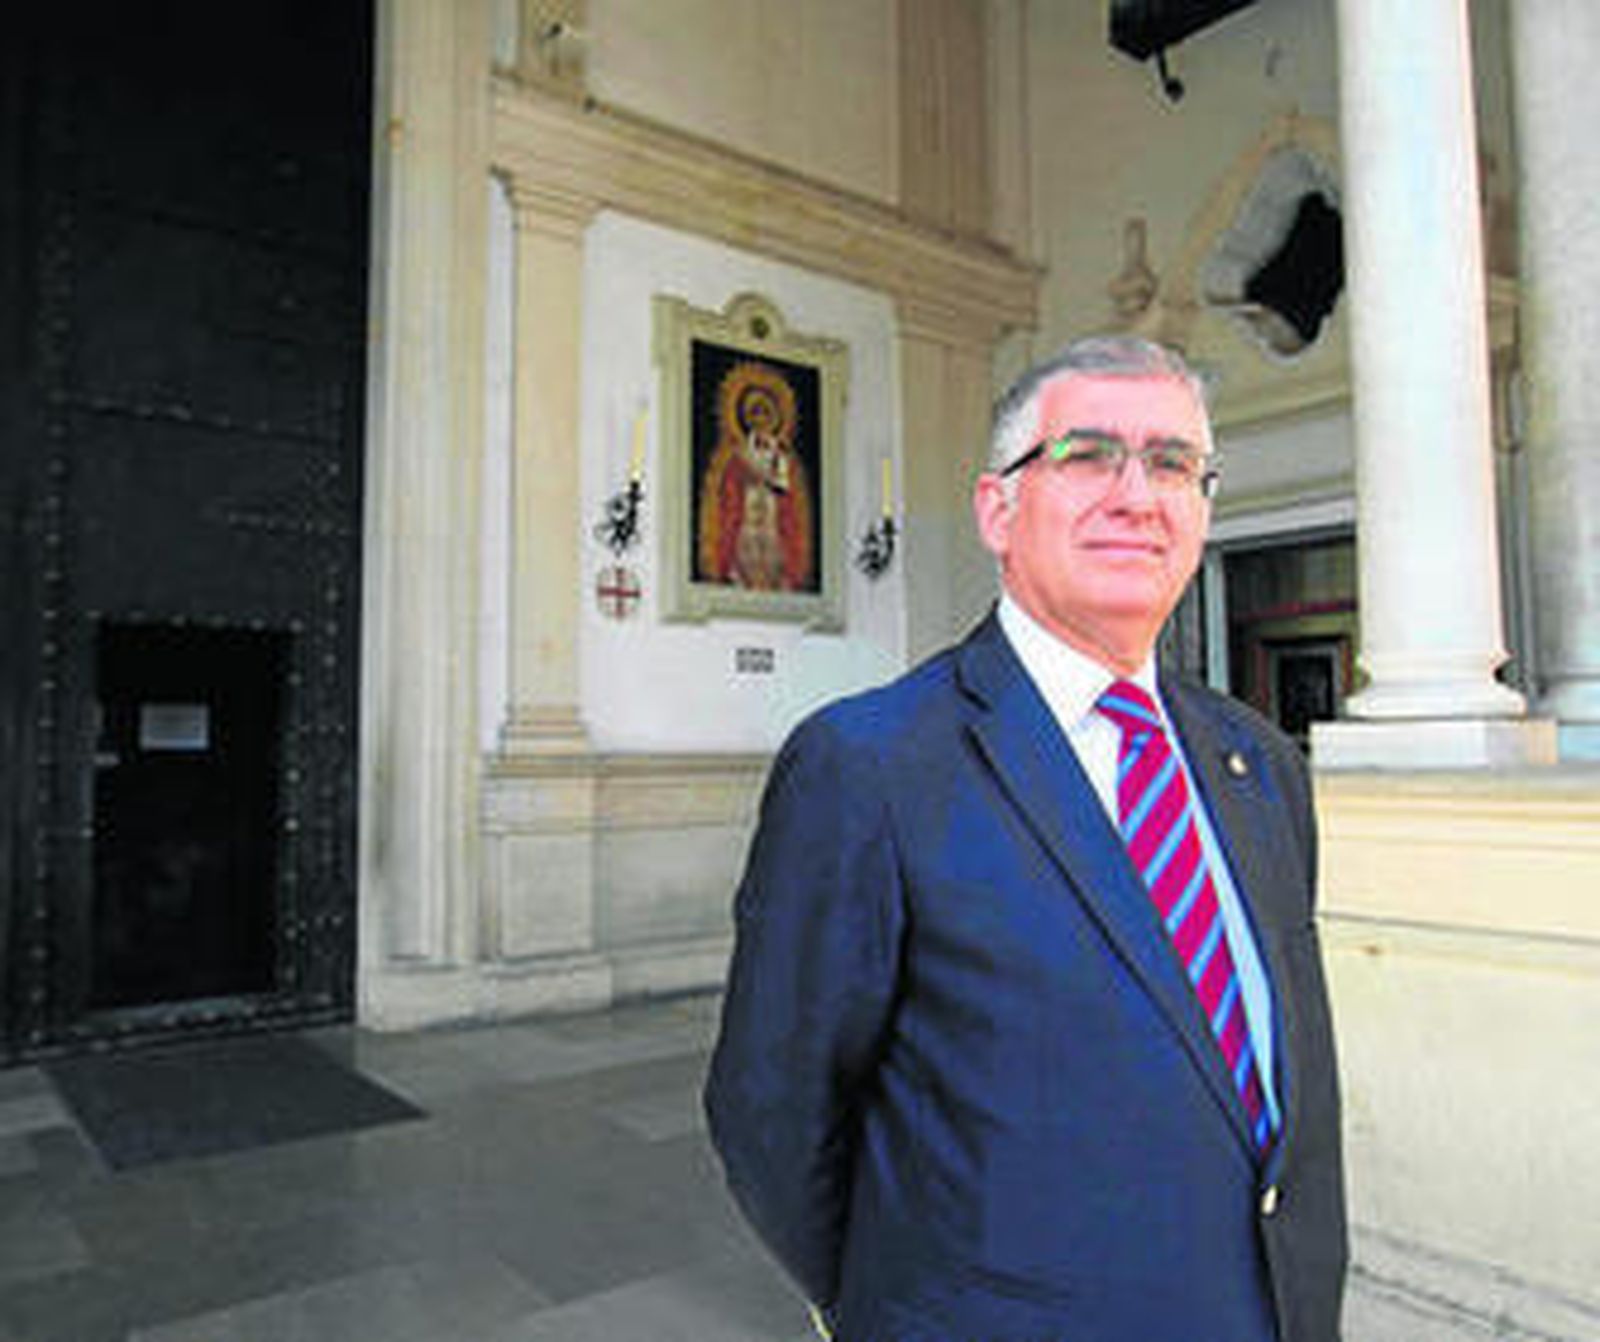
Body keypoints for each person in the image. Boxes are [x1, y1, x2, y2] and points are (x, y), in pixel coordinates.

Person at [704, 336, 1347, 1342]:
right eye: (1088, 455)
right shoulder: (868, 766)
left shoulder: (1258, 763)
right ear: (997, 511)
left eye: (1173, 462)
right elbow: (771, 1114)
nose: (1139, 495)